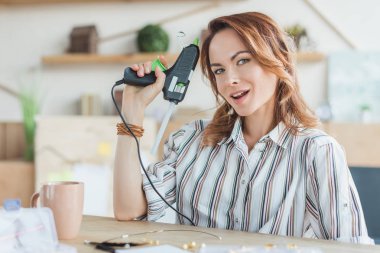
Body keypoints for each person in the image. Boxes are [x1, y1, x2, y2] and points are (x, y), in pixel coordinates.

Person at [113, 12, 373, 244]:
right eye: (219, 70)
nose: (230, 80)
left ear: (277, 61)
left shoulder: (317, 151)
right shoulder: (191, 139)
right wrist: (132, 110)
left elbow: (350, 247)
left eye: (242, 61)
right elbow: (128, 210)